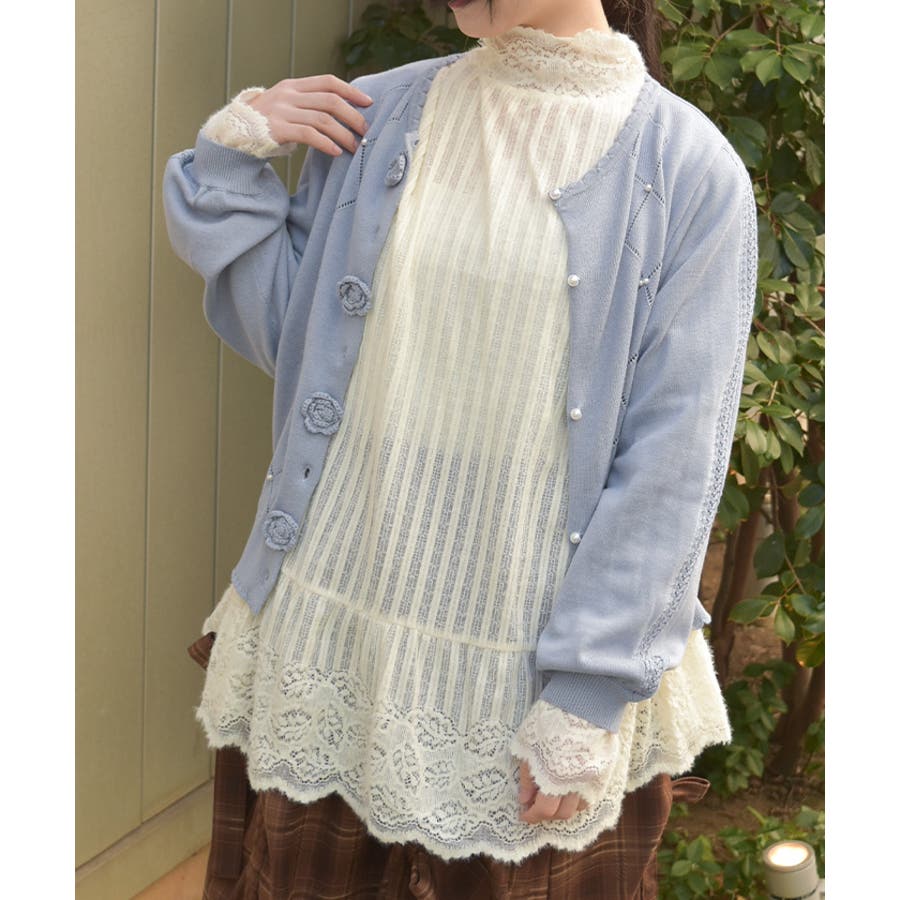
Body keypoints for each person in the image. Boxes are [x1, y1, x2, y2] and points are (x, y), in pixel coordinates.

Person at [164, 0, 757, 896]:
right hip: (332, 648)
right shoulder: (375, 116)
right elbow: (298, 340)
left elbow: (675, 459)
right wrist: (231, 161)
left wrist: (586, 692)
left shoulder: (689, 171)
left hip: (527, 703)